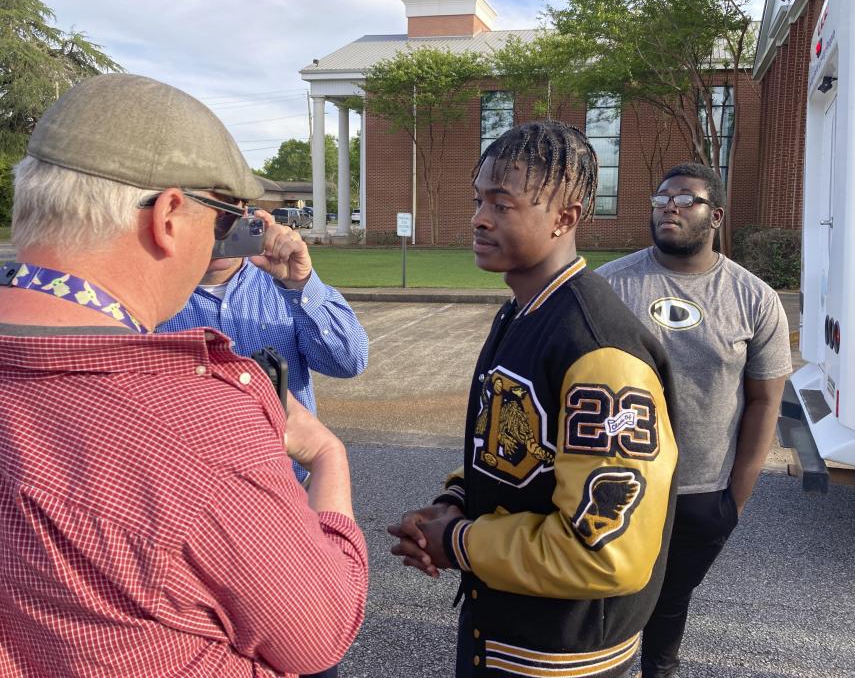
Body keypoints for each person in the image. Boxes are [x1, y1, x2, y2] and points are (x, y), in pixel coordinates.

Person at [0, 74, 367, 677]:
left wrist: (301, 285)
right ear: (169, 215)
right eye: (222, 218)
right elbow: (320, 629)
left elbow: (349, 359)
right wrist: (327, 454)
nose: (224, 238)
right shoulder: (199, 422)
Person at [389, 121, 678, 678]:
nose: (478, 218)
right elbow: (509, 450)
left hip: (559, 658)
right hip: (500, 632)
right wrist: (452, 503)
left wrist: (458, 542)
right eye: (479, 200)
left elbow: (604, 552)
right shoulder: (521, 311)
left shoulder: (599, 351)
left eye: (502, 203)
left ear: (565, 218)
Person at [597, 163, 792, 678]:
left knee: (669, 602)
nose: (669, 208)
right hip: (615, 484)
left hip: (701, 492)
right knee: (604, 602)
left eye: (685, 200)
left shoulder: (754, 299)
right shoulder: (607, 286)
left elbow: (764, 403)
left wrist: (735, 499)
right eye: (661, 199)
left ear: (716, 216)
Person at [157, 210, 369, 485]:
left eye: (228, 218)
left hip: (290, 483)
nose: (218, 233)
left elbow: (348, 362)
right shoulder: (149, 299)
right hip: (195, 492)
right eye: (205, 217)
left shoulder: (283, 282)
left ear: (248, 216)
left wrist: (300, 284)